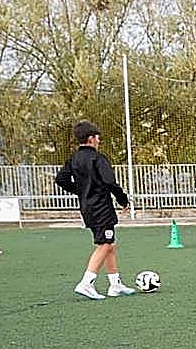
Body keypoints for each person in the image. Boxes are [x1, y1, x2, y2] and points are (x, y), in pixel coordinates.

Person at [54, 120, 135, 299]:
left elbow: (60, 179)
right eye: (98, 138)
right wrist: (123, 199)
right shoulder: (98, 158)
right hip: (101, 208)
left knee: (110, 244)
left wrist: (80, 190)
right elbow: (109, 182)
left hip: (87, 207)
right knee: (105, 244)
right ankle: (86, 283)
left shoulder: (73, 159)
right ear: (91, 139)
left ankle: (115, 284)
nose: (99, 141)